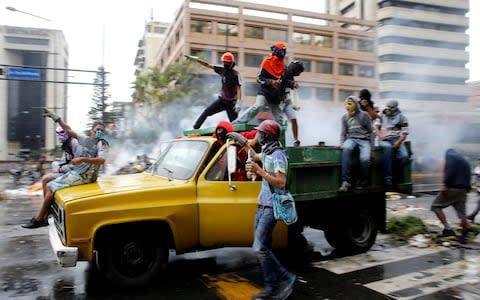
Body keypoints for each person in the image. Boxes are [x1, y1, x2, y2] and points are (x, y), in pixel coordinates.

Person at [22, 108, 108, 229]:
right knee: (46, 180)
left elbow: (102, 160)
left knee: (51, 186)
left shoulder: (102, 143)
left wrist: (82, 159)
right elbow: (68, 129)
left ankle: (39, 218)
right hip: (76, 172)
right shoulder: (85, 140)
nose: (99, 132)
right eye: (97, 130)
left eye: (101, 131)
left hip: (85, 176)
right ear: (91, 130)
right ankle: (46, 214)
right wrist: (56, 117)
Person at [244, 120, 296, 300]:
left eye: (260, 133)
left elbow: (281, 182)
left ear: (267, 135)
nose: (258, 135)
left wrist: (260, 172)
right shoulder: (268, 152)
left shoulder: (278, 155)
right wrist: (244, 143)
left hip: (271, 207)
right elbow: (255, 156)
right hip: (262, 204)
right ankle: (272, 285)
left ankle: (284, 278)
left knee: (259, 248)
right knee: (261, 247)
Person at [233, 42, 289, 126]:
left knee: (279, 119)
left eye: (284, 51)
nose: (283, 53)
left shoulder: (284, 67)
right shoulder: (266, 62)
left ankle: (280, 135)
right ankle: (237, 123)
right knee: (258, 106)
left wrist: (285, 94)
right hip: (265, 93)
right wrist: (271, 82)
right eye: (282, 50)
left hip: (275, 97)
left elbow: (285, 83)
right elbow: (259, 78)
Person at [187, 52, 242, 129]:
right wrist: (197, 60)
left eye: (227, 63)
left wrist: (239, 102)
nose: (225, 64)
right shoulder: (222, 70)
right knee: (206, 112)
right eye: (224, 62)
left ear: (231, 63)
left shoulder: (236, 74)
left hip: (231, 104)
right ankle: (195, 128)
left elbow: (238, 88)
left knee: (235, 124)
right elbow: (207, 65)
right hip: (222, 100)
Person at [431, 149, 471, 244]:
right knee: (462, 214)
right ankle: (463, 235)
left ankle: (448, 229)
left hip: (452, 188)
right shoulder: (463, 159)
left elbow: (450, 170)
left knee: (435, 206)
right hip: (463, 190)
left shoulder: (450, 156)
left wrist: (445, 184)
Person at [338, 96, 374, 192]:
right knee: (346, 149)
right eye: (347, 103)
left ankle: (363, 179)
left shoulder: (365, 115)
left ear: (356, 105)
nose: (348, 106)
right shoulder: (345, 117)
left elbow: (371, 132)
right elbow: (343, 133)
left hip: (364, 140)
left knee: (365, 159)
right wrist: (342, 143)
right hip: (351, 139)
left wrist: (372, 150)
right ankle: (346, 181)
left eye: (351, 103)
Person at [374, 100, 409, 186]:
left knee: (404, 156)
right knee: (388, 148)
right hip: (384, 139)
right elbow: (376, 127)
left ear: (395, 108)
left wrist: (398, 142)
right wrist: (381, 136)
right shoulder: (381, 115)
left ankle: (396, 175)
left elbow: (404, 134)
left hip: (396, 139)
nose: (388, 109)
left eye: (390, 107)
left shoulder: (402, 118)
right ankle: (388, 178)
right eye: (387, 107)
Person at [40, 127, 81, 197]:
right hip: (68, 171)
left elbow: (78, 165)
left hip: (75, 174)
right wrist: (58, 166)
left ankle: (48, 205)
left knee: (45, 179)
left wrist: (60, 169)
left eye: (62, 132)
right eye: (58, 133)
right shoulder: (67, 144)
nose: (59, 136)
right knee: (54, 164)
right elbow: (63, 161)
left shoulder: (74, 143)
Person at [281, 60, 304, 146]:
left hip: (287, 102)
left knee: (293, 119)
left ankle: (296, 140)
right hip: (278, 102)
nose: (299, 74)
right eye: (299, 72)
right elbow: (282, 84)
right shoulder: (283, 72)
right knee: (279, 123)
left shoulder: (291, 77)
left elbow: (289, 90)